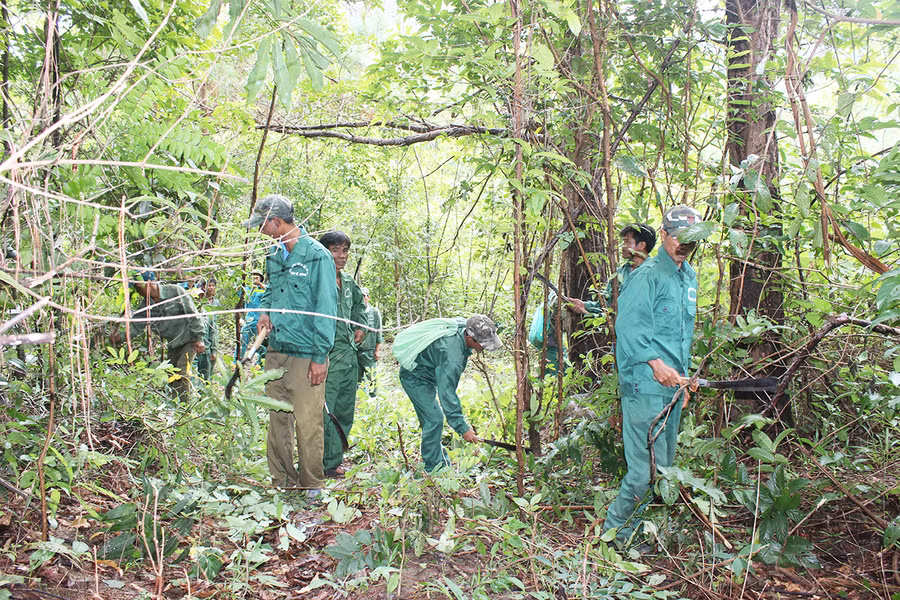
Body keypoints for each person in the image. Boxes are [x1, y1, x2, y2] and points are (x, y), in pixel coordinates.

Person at [602, 205, 708, 546]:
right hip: (644, 384)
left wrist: (684, 380)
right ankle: (612, 540)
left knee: (662, 471)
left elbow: (680, 336)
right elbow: (628, 328)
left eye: (691, 239)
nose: (684, 244)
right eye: (677, 237)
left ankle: (638, 539)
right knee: (645, 472)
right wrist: (655, 364)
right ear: (662, 235)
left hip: (672, 388)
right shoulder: (647, 275)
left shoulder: (688, 277)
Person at [243, 194, 338, 494]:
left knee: (308, 422)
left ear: (276, 222)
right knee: (277, 420)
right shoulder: (274, 254)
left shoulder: (317, 256)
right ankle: (283, 482)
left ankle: (312, 485)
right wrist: (265, 311)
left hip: (306, 353)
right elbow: (272, 290)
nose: (260, 230)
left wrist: (320, 357)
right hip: (276, 350)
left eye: (262, 225)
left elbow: (326, 308)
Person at [393, 315, 503, 473]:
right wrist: (462, 428)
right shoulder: (452, 357)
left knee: (431, 420)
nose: (484, 348)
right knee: (434, 419)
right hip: (415, 378)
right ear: (470, 338)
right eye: (482, 344)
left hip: (427, 372)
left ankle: (439, 461)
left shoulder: (464, 327)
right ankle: (433, 469)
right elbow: (447, 394)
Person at [318, 230, 367, 478]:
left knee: (345, 411)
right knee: (326, 413)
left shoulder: (348, 282)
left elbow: (360, 306)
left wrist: (360, 325)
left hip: (349, 357)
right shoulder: (318, 282)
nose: (342, 256)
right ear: (324, 252)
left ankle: (335, 459)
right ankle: (322, 463)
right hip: (327, 358)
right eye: (335, 250)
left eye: (345, 250)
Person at [109, 279, 206, 402]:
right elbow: (135, 327)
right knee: (172, 375)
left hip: (189, 340)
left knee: (182, 373)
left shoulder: (175, 291)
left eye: (138, 288)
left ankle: (185, 407)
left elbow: (193, 314)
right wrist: (119, 338)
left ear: (148, 283)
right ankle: (176, 405)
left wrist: (199, 338)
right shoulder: (146, 307)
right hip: (173, 344)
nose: (138, 292)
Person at [602, 222, 656, 305]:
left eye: (627, 242)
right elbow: (606, 302)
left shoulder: (654, 273)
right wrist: (585, 306)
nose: (623, 246)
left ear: (642, 245)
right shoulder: (619, 272)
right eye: (623, 242)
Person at [357, 288, 383, 398]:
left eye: (364, 296)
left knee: (372, 378)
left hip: (369, 352)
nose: (362, 298)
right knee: (357, 379)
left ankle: (374, 399)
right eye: (360, 296)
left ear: (368, 297)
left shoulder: (374, 312)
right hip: (356, 351)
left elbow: (379, 332)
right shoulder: (355, 312)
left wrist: (377, 350)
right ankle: (360, 399)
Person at [237, 270, 267, 362]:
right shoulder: (247, 290)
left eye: (256, 277)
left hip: (260, 320)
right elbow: (239, 296)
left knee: (261, 343)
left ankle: (259, 364)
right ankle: (236, 361)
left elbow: (270, 292)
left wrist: (260, 284)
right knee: (243, 341)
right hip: (249, 319)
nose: (254, 279)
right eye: (252, 277)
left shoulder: (263, 289)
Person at [193, 278, 219, 381]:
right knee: (192, 374)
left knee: (206, 375)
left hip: (206, 346)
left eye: (213, 286)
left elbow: (213, 329)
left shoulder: (213, 306)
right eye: (209, 286)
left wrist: (214, 349)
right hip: (193, 346)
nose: (211, 288)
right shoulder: (194, 306)